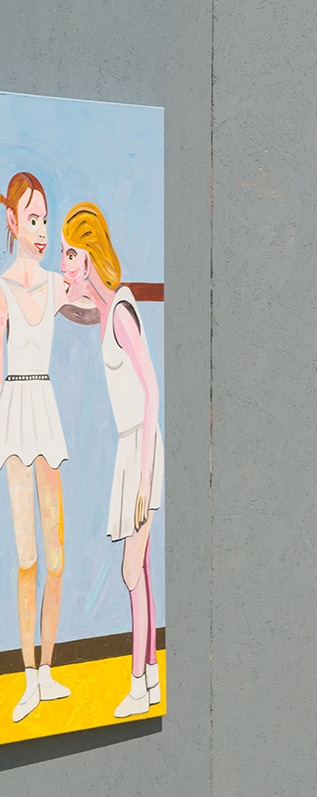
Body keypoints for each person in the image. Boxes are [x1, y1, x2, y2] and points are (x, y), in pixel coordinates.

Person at [59, 202, 164, 718]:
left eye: (70, 254)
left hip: (141, 449)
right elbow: (78, 312)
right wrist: (58, 296)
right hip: (129, 449)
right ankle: (153, 678)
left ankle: (138, 684)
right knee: (141, 568)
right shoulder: (104, 309)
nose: (64, 263)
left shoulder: (120, 313)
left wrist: (144, 477)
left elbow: (152, 391)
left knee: (129, 572)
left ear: (89, 254)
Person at [0, 173, 82, 721]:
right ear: (12, 222)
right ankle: (28, 675)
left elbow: (96, 304)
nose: (43, 229)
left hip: (45, 414)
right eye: (33, 219)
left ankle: (47, 671)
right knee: (26, 556)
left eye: (46, 220)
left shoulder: (56, 285)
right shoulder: (2, 289)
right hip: (14, 416)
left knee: (56, 558)